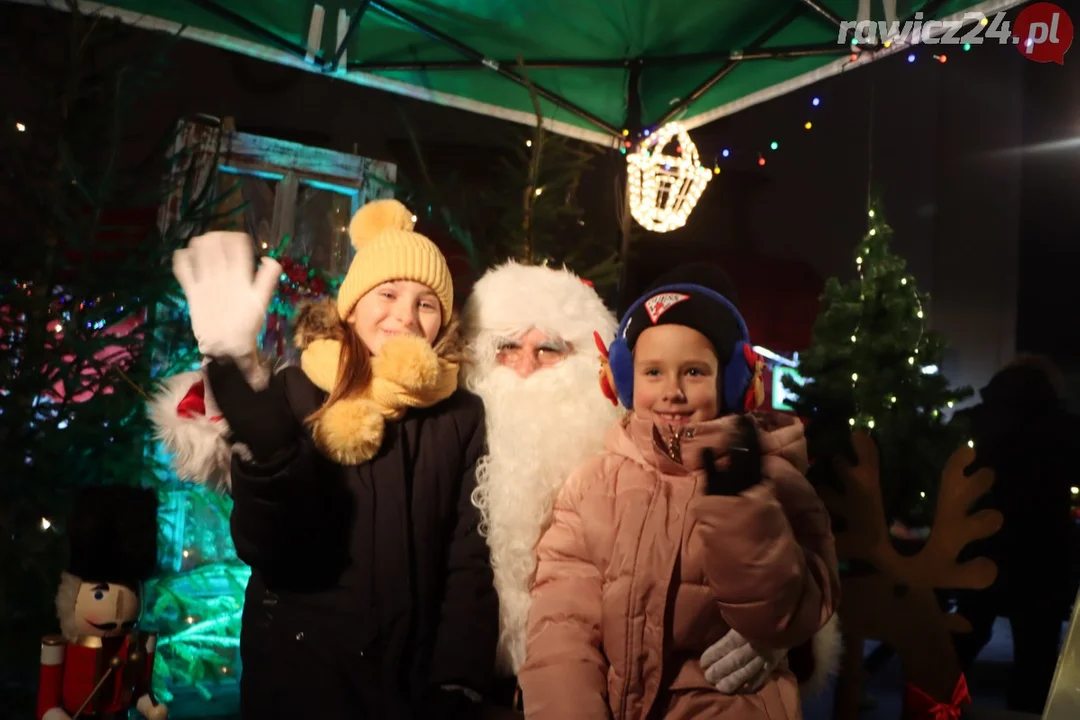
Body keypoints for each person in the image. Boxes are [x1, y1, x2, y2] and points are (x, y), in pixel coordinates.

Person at [166, 199, 498, 719]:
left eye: (426, 303)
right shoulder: (298, 390)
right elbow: (266, 546)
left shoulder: (458, 416)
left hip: (410, 682)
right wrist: (270, 455)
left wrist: (459, 680)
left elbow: (467, 556)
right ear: (353, 304)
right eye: (388, 294)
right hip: (300, 675)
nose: (405, 316)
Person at [517, 264, 841, 719]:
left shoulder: (774, 478)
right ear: (623, 382)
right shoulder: (593, 486)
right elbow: (562, 626)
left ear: (733, 384)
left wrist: (743, 512)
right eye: (653, 372)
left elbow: (787, 611)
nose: (672, 391)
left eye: (693, 371)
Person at [953, 355, 1079, 714]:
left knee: (964, 634)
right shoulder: (1066, 429)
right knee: (1036, 655)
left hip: (981, 542)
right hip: (1044, 551)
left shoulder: (972, 421)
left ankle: (931, 707)